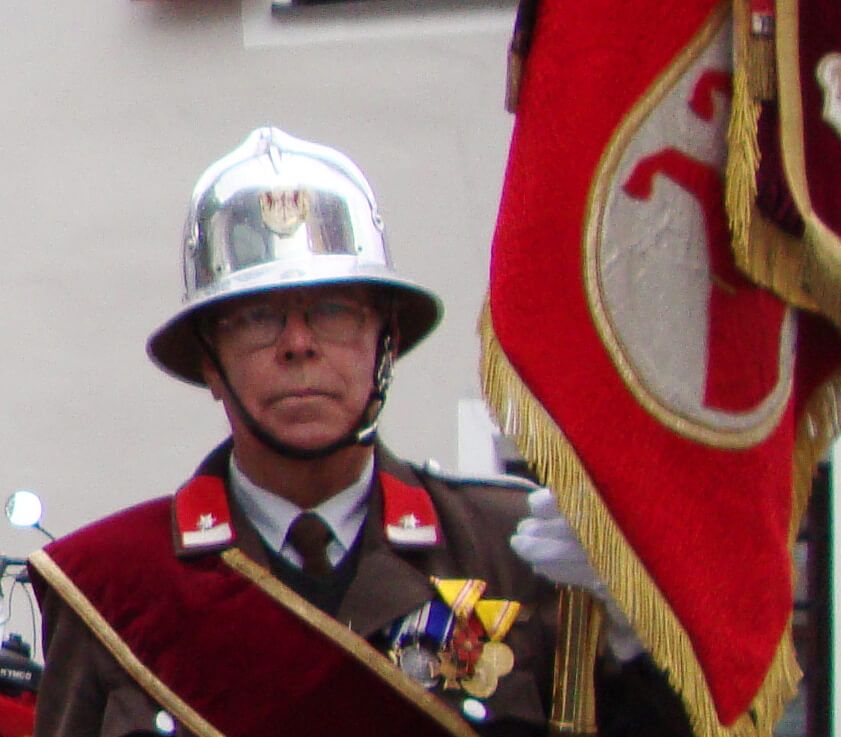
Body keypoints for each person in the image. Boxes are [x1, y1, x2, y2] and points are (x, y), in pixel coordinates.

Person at [29, 127, 692, 737]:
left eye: (333, 310)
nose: (297, 344)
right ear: (209, 361)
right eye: (256, 317)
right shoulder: (116, 590)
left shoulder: (516, 550)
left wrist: (642, 640)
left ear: (387, 342)